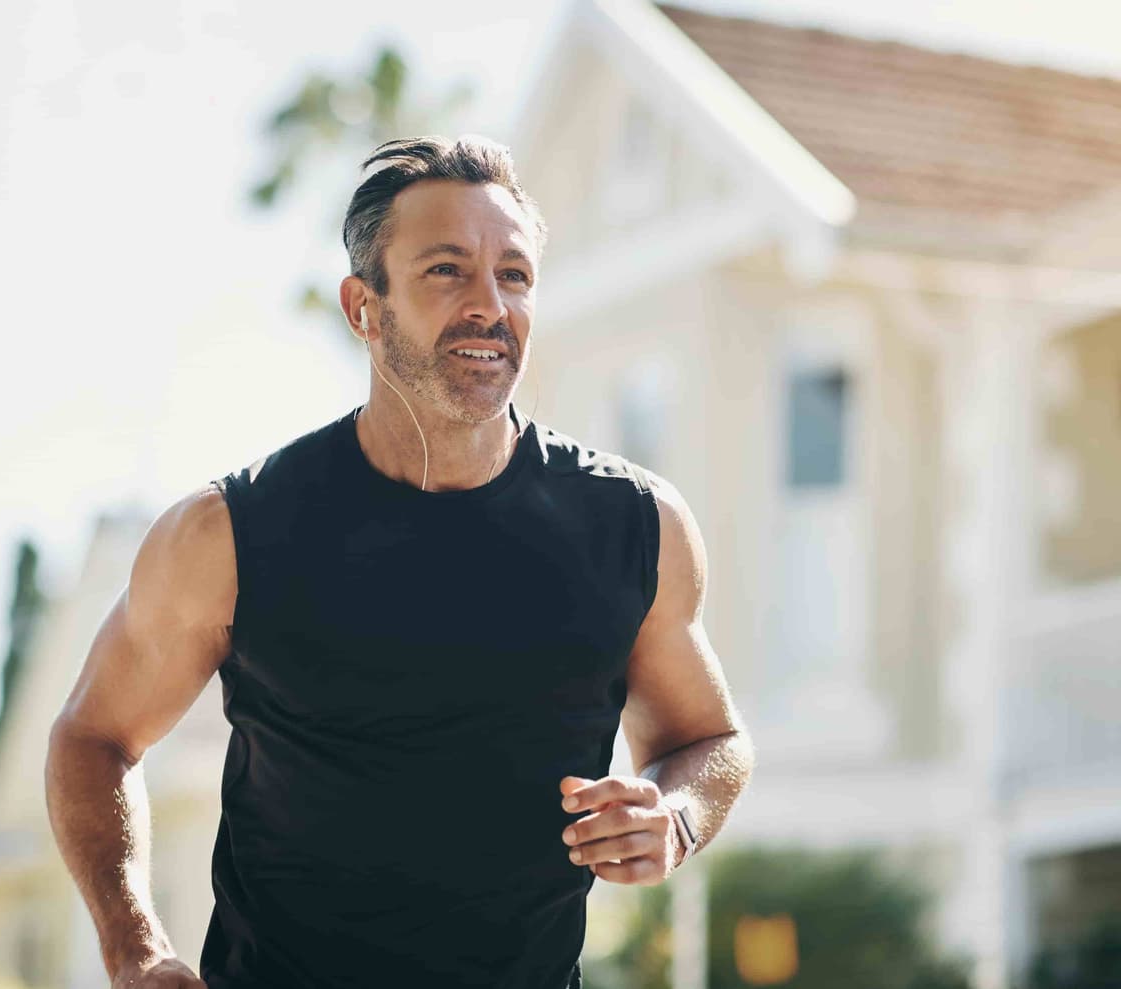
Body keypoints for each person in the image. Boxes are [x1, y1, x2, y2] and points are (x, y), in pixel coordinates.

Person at [45, 135, 755, 989]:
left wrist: (675, 816)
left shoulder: (634, 527)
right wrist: (135, 950)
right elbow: (92, 736)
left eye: (515, 275)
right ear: (363, 307)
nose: (489, 305)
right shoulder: (230, 533)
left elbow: (709, 738)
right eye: (446, 270)